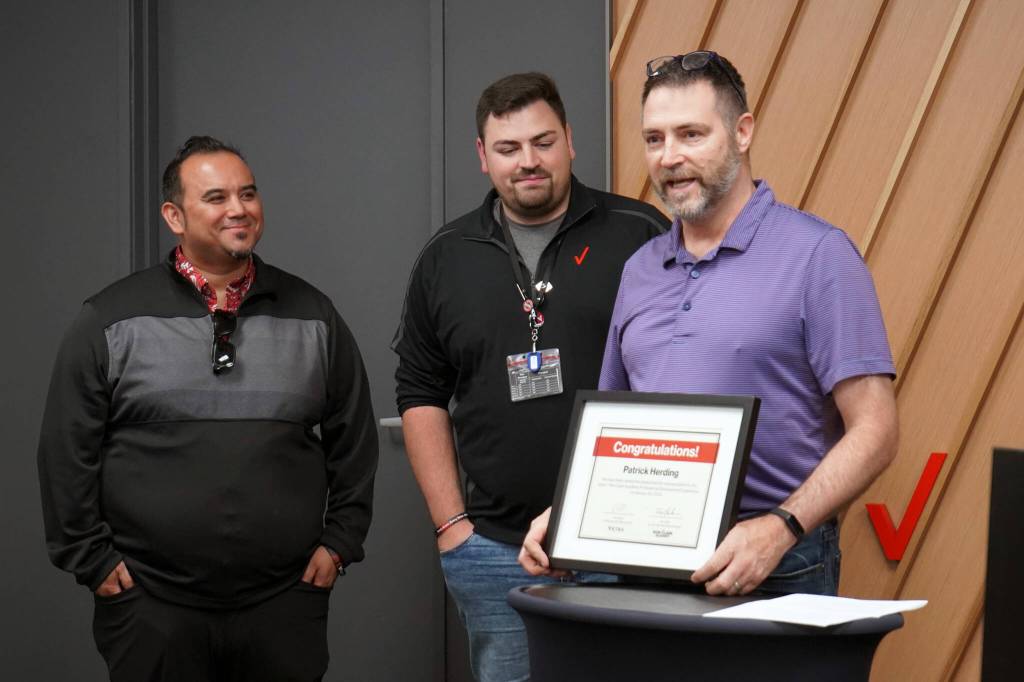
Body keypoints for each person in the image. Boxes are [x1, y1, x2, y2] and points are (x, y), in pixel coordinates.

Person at [519, 51, 899, 598]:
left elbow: (877, 430)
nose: (670, 157)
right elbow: (614, 434)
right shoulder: (641, 268)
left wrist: (781, 528)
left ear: (743, 132)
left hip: (777, 565)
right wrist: (568, 517)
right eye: (654, 139)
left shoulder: (818, 254)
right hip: (644, 564)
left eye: (691, 134)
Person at [37, 136, 378, 682]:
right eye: (216, 197)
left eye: (248, 193)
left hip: (284, 604)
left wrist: (340, 543)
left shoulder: (314, 316)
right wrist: (91, 561)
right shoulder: (109, 318)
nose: (238, 209)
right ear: (175, 215)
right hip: (151, 606)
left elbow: (355, 440)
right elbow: (65, 451)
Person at [392, 72, 668, 681]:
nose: (529, 162)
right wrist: (452, 529)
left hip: (629, 547)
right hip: (494, 550)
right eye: (509, 148)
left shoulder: (642, 235)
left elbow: (688, 374)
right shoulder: (446, 256)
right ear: (482, 156)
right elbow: (419, 393)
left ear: (570, 140)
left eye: (543, 142)